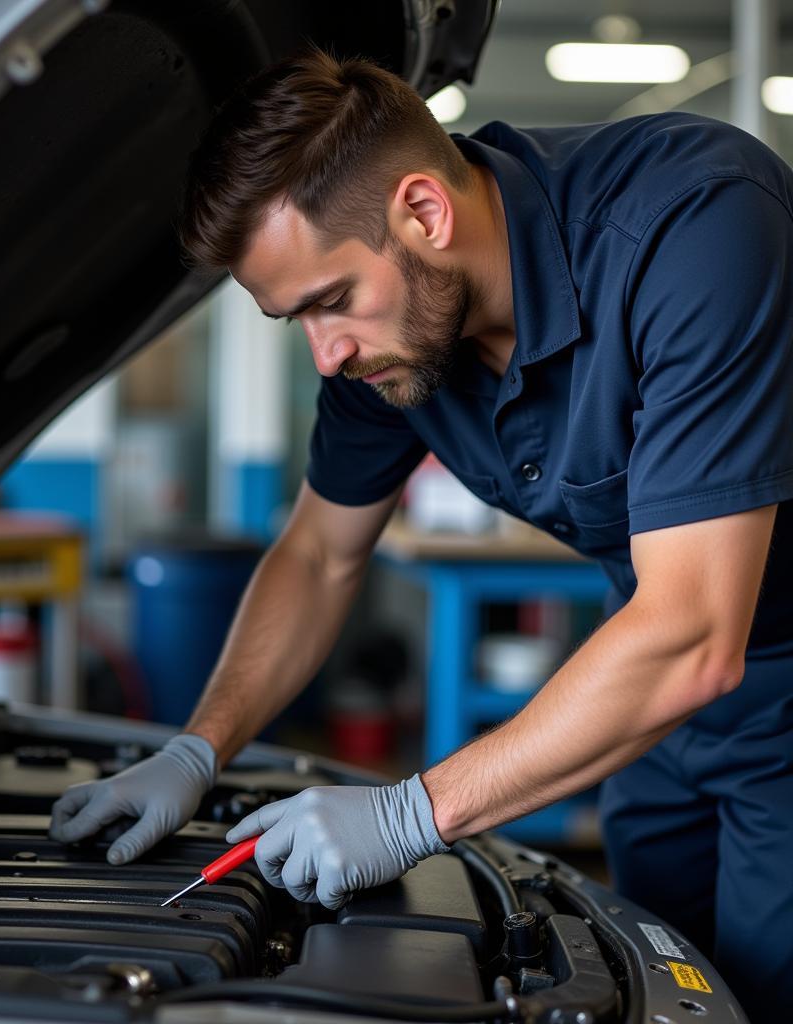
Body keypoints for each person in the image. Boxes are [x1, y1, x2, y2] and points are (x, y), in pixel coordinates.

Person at [50, 49, 793, 1019]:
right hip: (647, 691)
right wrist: (200, 747)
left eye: (329, 302)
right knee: (654, 979)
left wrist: (414, 812)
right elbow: (319, 553)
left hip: (728, 663)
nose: (327, 351)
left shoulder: (694, 226)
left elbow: (696, 632)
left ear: (424, 213)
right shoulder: (393, 343)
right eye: (296, 321)